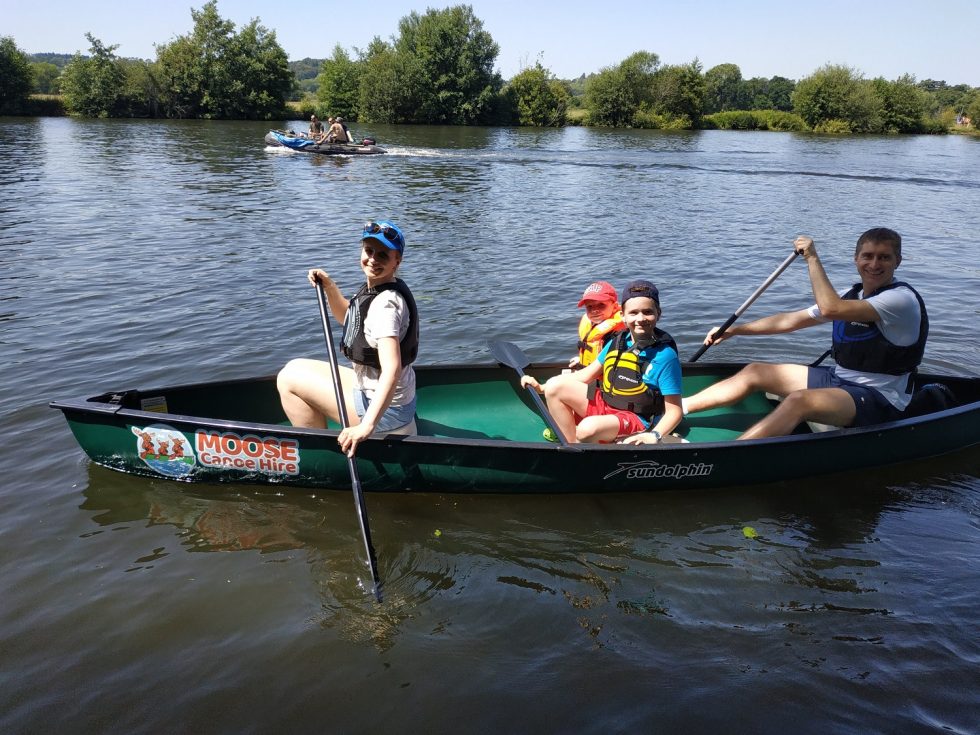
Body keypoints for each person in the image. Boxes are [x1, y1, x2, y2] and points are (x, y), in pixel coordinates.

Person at [683, 228, 928, 440]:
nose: (874, 264)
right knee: (755, 372)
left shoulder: (901, 300)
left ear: (898, 261)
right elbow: (791, 321)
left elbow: (830, 308)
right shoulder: (849, 295)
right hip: (838, 379)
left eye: (884, 257)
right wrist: (735, 331)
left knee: (798, 401)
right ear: (856, 259)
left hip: (881, 397)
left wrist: (811, 258)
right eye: (868, 256)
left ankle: (731, 454)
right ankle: (677, 408)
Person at [277, 220, 419, 457]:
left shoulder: (385, 306)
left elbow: (392, 370)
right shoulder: (378, 288)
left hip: (386, 411)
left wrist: (367, 426)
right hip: (388, 398)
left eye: (383, 255)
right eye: (369, 251)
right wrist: (330, 287)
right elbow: (348, 319)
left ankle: (320, 455)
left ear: (397, 262)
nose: (373, 259)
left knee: (288, 380)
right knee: (295, 367)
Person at [521, 280, 683, 445]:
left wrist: (654, 435)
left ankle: (590, 442)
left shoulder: (665, 356)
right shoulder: (617, 342)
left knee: (587, 428)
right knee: (555, 386)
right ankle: (572, 447)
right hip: (607, 402)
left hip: (638, 418)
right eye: (633, 313)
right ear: (623, 315)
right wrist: (542, 388)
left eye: (647, 312)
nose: (640, 319)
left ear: (658, 314)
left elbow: (675, 411)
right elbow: (585, 376)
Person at [570, 280, 626, 368]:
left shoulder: (621, 333)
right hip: (590, 371)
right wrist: (581, 360)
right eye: (590, 306)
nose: (594, 310)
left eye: (601, 305)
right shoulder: (592, 324)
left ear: (615, 307)